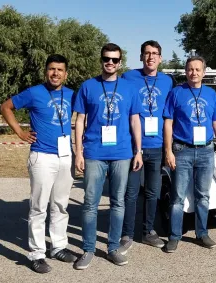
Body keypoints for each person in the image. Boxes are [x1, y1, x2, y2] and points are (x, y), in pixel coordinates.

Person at [0, 54, 77, 273]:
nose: (56, 73)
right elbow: (6, 107)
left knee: (61, 205)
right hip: (42, 156)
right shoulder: (34, 92)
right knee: (38, 207)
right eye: (52, 69)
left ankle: (59, 246)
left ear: (66, 73)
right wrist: (20, 132)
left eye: (60, 70)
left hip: (65, 156)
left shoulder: (72, 95)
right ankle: (36, 254)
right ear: (46, 71)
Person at [73, 43, 143, 269]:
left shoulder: (129, 88)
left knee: (117, 202)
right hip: (94, 152)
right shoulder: (88, 86)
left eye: (114, 59)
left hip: (122, 153)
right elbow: (80, 121)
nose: (110, 62)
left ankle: (113, 248)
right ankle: (88, 249)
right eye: (106, 58)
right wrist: (78, 152)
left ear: (120, 62)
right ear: (101, 60)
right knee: (90, 203)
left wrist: (138, 151)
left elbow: (135, 120)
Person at [162, 56, 216, 252]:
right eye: (190, 69)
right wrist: (168, 151)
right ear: (185, 71)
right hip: (182, 150)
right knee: (177, 197)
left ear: (204, 72)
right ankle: (174, 236)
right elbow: (168, 123)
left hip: (206, 151)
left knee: (203, 195)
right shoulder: (176, 93)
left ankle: (202, 233)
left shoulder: (211, 94)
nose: (194, 73)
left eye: (198, 69)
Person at [120, 40, 173, 253]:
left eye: (155, 53)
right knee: (131, 193)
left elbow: (171, 113)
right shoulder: (128, 77)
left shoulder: (168, 81)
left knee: (153, 192)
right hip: (134, 148)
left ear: (160, 58)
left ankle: (148, 231)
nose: (151, 57)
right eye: (147, 53)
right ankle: (126, 233)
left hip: (158, 145)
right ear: (141, 56)